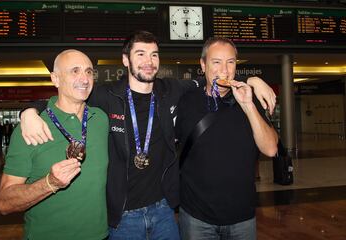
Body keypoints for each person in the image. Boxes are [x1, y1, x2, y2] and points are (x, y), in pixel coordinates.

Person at [20, 31, 276, 239]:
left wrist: (253, 79)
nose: (148, 61)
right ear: (125, 59)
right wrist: (29, 111)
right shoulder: (106, 95)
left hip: (164, 210)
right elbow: (68, 95)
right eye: (140, 54)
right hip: (123, 216)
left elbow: (213, 81)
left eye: (154, 54)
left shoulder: (172, 90)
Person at [0, 49, 109, 240]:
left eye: (89, 71)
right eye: (75, 71)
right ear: (55, 79)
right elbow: (4, 202)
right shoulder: (31, 129)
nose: (84, 79)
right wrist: (49, 183)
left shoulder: (100, 119)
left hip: (99, 236)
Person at [175, 37, 278, 240]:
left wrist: (248, 105)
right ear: (203, 65)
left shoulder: (250, 99)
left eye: (230, 62)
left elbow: (271, 149)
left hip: (242, 218)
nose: (225, 69)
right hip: (196, 218)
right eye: (216, 62)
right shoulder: (186, 101)